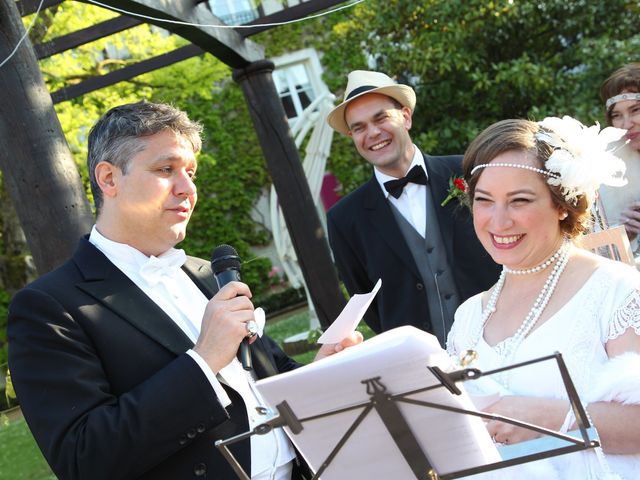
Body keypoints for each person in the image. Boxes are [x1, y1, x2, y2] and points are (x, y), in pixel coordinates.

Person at [7, 101, 361, 480]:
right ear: (109, 179)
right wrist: (204, 359)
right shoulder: (49, 307)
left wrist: (319, 373)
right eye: (166, 169)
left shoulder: (207, 274)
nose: (187, 188)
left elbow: (264, 379)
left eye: (190, 172)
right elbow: (84, 459)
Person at [446, 116, 640, 478]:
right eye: (484, 201)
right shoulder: (469, 316)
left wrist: (544, 418)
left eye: (519, 201)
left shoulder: (617, 291)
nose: (498, 221)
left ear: (563, 204)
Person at [325, 70, 500, 345]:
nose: (372, 133)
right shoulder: (344, 219)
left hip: (504, 337)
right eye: (358, 127)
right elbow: (370, 306)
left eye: (380, 118)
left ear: (405, 117)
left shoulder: (467, 172)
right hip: (422, 363)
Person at [598, 63, 640, 251]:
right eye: (616, 115)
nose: (626, 124)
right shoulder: (606, 170)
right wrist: (624, 234)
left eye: (635, 110)